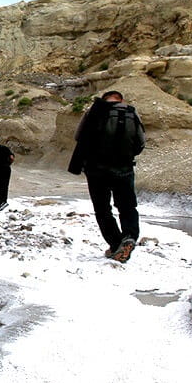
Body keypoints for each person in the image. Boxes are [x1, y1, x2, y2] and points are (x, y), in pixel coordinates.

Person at [68, 91, 146, 263]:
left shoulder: (94, 111)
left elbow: (78, 137)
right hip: (124, 169)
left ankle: (115, 243)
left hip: (96, 170)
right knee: (127, 207)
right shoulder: (131, 112)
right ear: (121, 100)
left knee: (103, 210)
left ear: (104, 100)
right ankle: (129, 237)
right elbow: (141, 142)